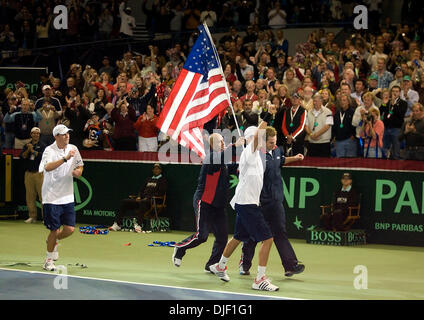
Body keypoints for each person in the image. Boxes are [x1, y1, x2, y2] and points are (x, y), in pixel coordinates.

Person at [209, 112, 280, 292]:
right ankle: (259, 279)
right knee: (268, 239)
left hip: (247, 202)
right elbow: (257, 137)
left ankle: (220, 265)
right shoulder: (250, 150)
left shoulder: (255, 156)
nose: (263, 140)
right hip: (247, 204)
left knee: (239, 236)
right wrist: (265, 120)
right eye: (261, 137)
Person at [239, 126, 305, 278]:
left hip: (276, 202)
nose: (273, 145)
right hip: (259, 202)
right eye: (270, 143)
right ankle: (245, 265)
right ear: (262, 141)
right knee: (252, 236)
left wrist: (295, 158)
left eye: (275, 142)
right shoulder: (255, 156)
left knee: (280, 233)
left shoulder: (276, 150)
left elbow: (280, 161)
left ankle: (290, 266)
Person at [172, 133, 244, 272]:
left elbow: (233, 167)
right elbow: (221, 158)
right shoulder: (211, 157)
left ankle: (211, 264)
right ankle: (180, 248)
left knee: (222, 238)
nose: (223, 143)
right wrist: (235, 146)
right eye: (219, 142)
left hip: (218, 206)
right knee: (202, 236)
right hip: (204, 202)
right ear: (212, 145)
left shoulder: (222, 160)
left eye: (223, 141)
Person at [39, 124, 84, 271]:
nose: (67, 136)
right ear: (56, 136)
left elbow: (80, 165)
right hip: (51, 197)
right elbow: (47, 167)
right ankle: (48, 260)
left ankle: (53, 241)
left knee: (70, 229)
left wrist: (78, 172)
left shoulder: (73, 148)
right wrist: (65, 159)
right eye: (63, 134)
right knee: (54, 230)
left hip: (67, 196)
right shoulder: (49, 150)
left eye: (67, 133)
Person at [109, 163, 168, 232]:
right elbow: (141, 190)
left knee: (143, 202)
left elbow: (161, 192)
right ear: (152, 170)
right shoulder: (148, 179)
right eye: (154, 169)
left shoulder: (163, 180)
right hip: (143, 200)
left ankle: (139, 226)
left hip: (153, 201)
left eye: (158, 169)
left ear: (160, 171)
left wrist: (148, 198)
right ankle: (117, 224)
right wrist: (139, 196)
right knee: (124, 202)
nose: (156, 170)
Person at [20, 127, 46, 223]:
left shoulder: (43, 145)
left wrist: (33, 151)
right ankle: (32, 216)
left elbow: (43, 157)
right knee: (30, 196)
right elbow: (22, 156)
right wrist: (28, 150)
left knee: (42, 196)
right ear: (31, 134)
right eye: (34, 133)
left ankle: (46, 218)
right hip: (28, 174)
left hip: (39, 174)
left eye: (37, 133)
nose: (35, 135)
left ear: (39, 135)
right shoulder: (27, 145)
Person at [380, 85, 408, 159]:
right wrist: (384, 104)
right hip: (386, 128)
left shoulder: (403, 103)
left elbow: (400, 113)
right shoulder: (387, 102)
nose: (395, 93)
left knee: (396, 151)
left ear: (399, 93)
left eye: (396, 91)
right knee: (383, 149)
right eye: (393, 91)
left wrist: (394, 104)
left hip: (397, 129)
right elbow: (381, 111)